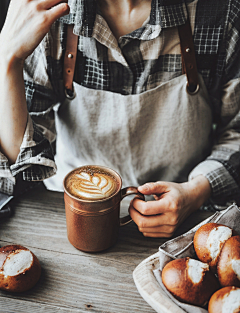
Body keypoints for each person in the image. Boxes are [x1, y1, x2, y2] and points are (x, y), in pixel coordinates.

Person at [0, 0, 240, 238]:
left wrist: (196, 191)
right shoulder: (48, 14)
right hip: (69, 218)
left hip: (188, 220)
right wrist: (8, 58)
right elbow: (21, 167)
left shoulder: (222, 13)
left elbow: (236, 133)